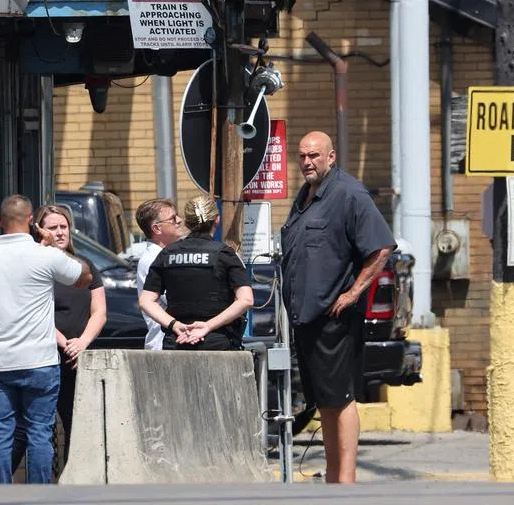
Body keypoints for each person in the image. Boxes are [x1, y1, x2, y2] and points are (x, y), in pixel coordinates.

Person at [281, 131, 395, 485]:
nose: (307, 162)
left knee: (341, 399)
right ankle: (333, 479)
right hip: (306, 318)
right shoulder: (306, 196)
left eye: (314, 155)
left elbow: (381, 248)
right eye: (302, 156)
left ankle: (346, 481)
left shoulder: (349, 194)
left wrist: (353, 292)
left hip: (335, 318)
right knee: (325, 402)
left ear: (331, 157)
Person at [0, 195, 93, 485]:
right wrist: (51, 245)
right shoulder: (45, 255)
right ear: (32, 221)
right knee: (39, 433)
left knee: (0, 431)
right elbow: (85, 277)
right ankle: (39, 495)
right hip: (40, 361)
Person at [33, 203, 105, 469]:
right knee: (40, 429)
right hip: (45, 358)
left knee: (77, 427)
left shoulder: (84, 266)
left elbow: (99, 312)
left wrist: (82, 342)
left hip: (77, 360)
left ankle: (72, 480)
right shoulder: (36, 265)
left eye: (64, 226)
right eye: (53, 227)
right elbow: (33, 313)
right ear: (40, 231)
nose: (60, 232)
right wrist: (64, 343)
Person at [138, 194, 253, 351]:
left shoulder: (167, 254)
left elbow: (146, 301)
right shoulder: (225, 254)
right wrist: (208, 326)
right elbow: (246, 300)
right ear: (217, 220)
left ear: (188, 222)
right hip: (217, 343)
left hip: (177, 342)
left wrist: (175, 325)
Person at [131, 199, 187, 350]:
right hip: (164, 343)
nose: (179, 220)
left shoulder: (169, 255)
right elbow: (175, 298)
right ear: (156, 229)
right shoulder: (152, 260)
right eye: (173, 218)